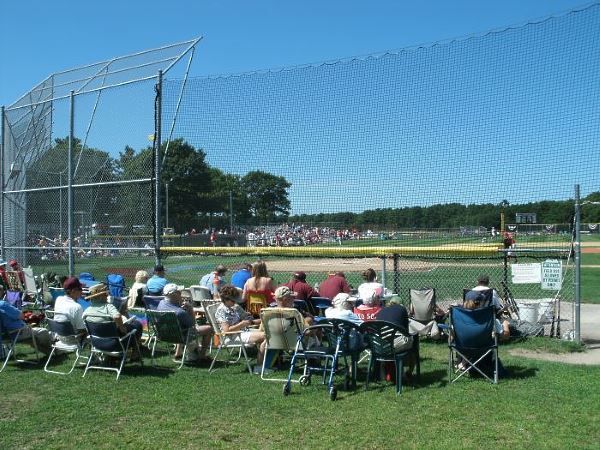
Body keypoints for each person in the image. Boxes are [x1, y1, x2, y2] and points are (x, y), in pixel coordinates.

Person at [216, 284, 266, 374]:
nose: (235, 302)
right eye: (233, 300)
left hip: (241, 332)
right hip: (231, 337)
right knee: (266, 336)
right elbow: (226, 331)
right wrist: (242, 324)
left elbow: (250, 321)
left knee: (267, 334)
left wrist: (264, 318)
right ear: (226, 299)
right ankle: (260, 367)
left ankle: (264, 364)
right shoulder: (222, 310)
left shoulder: (234, 307)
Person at [83, 283, 144, 355]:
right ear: (100, 297)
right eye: (105, 294)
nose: (107, 296)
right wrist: (122, 327)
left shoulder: (87, 312)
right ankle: (135, 354)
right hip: (116, 344)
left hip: (97, 344)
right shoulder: (108, 307)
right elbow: (117, 316)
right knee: (137, 325)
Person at [157, 283, 213, 362]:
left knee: (180, 326)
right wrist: (190, 309)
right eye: (179, 292)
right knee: (209, 329)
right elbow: (193, 324)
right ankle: (202, 355)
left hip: (164, 335)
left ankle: (178, 352)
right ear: (175, 294)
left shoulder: (161, 304)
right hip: (181, 336)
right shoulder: (179, 312)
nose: (181, 294)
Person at [0, 285, 51, 355]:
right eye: (3, 291)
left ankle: (51, 352)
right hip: (17, 333)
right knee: (43, 332)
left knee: (35, 337)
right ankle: (52, 351)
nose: (4, 293)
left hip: (5, 335)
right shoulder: (3, 305)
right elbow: (21, 316)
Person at [375, 296, 415, 379]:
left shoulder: (381, 310)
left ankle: (383, 373)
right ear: (400, 304)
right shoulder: (402, 309)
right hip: (395, 345)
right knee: (413, 342)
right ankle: (409, 371)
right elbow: (406, 331)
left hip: (379, 346)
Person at [52, 277, 87, 346]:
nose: (82, 291)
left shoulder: (58, 299)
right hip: (74, 340)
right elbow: (82, 329)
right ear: (73, 291)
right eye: (80, 289)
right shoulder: (77, 307)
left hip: (59, 336)